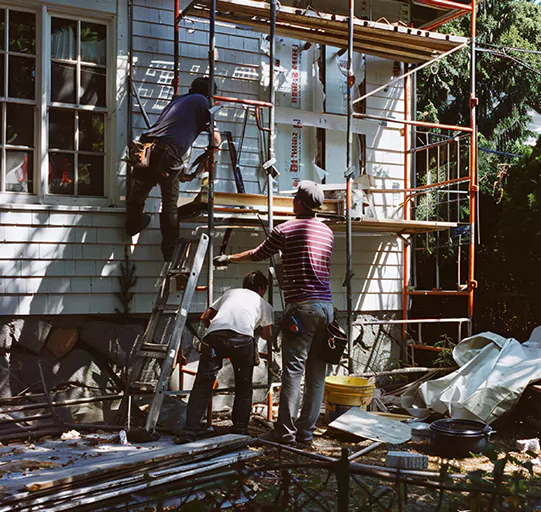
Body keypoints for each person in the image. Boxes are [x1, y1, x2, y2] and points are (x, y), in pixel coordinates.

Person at [213, 180, 334, 445]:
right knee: (317, 373)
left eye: (294, 199)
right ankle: (305, 433)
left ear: (299, 203)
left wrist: (229, 258)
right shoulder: (327, 232)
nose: (292, 203)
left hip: (302, 308)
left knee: (293, 371)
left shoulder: (285, 229)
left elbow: (259, 254)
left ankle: (285, 433)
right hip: (327, 307)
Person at [125, 76, 221, 261]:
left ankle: (133, 223)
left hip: (147, 148)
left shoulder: (179, 100)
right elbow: (215, 139)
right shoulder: (202, 102)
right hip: (168, 153)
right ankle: (170, 250)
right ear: (209, 94)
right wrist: (216, 148)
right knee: (169, 201)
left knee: (140, 191)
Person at [175, 270, 274, 443]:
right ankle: (239, 429)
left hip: (214, 337)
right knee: (243, 386)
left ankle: (190, 430)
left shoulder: (230, 293)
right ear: (261, 288)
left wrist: (213, 330)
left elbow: (205, 317)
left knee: (202, 383)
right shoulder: (263, 304)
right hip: (243, 341)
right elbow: (267, 335)